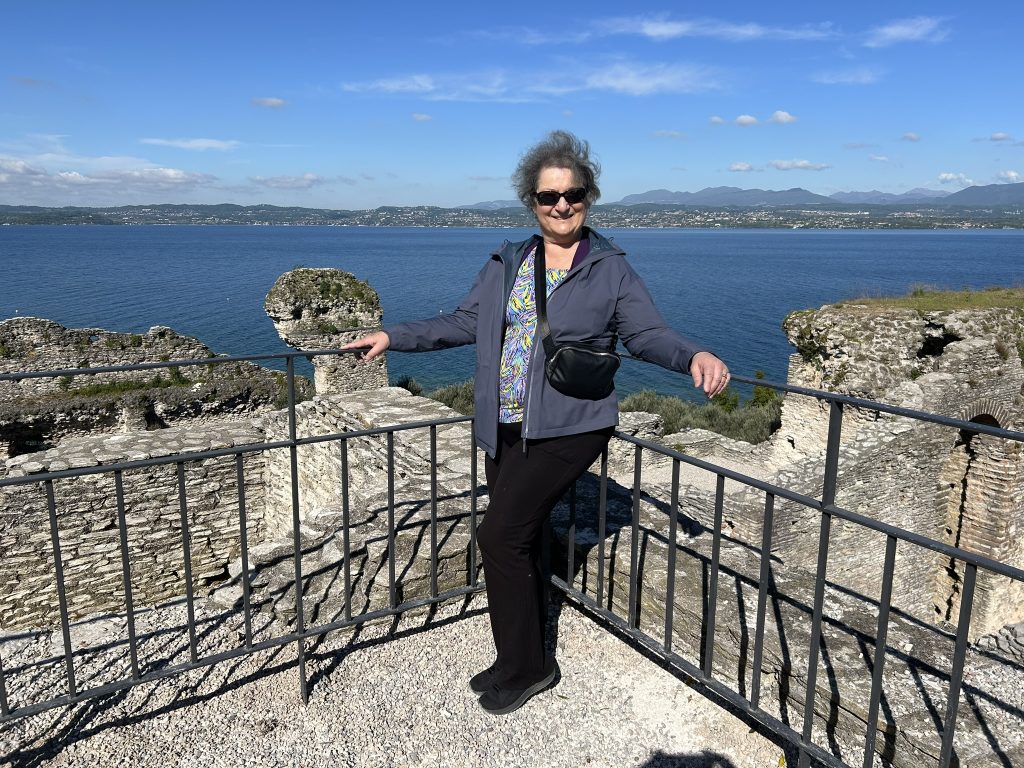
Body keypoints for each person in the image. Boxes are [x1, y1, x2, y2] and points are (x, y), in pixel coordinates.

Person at [342, 130, 730, 715]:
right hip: (505, 426)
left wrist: (693, 354)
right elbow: (464, 321)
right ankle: (512, 653)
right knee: (520, 538)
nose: (562, 205)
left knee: (498, 535)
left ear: (589, 197)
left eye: (573, 194)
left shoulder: (610, 269)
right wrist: (392, 336)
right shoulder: (508, 260)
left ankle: (530, 667)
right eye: (549, 197)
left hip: (571, 426)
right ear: (532, 202)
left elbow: (646, 334)